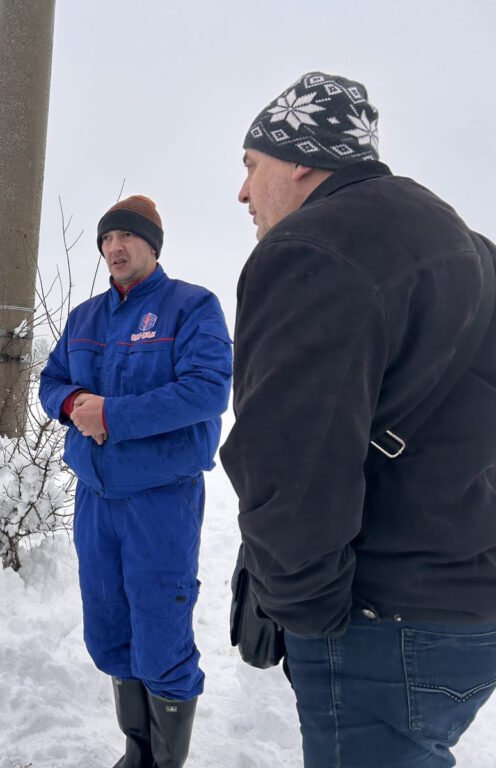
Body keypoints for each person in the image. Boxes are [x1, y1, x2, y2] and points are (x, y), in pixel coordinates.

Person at [221, 72, 496, 768]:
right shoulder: (467, 245)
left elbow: (287, 460)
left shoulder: (311, 248)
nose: (244, 192)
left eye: (252, 165)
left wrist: (308, 615)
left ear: (302, 158)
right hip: (470, 604)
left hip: (379, 620)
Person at [39, 196, 232, 767]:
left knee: (160, 631)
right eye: (106, 239)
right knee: (109, 629)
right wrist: (72, 401)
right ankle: (137, 751)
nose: (114, 247)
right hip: (95, 498)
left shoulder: (191, 306)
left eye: (125, 236)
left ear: (152, 244)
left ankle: (166, 762)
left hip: (160, 499)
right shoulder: (85, 317)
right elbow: (51, 381)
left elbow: (207, 391)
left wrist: (113, 415)